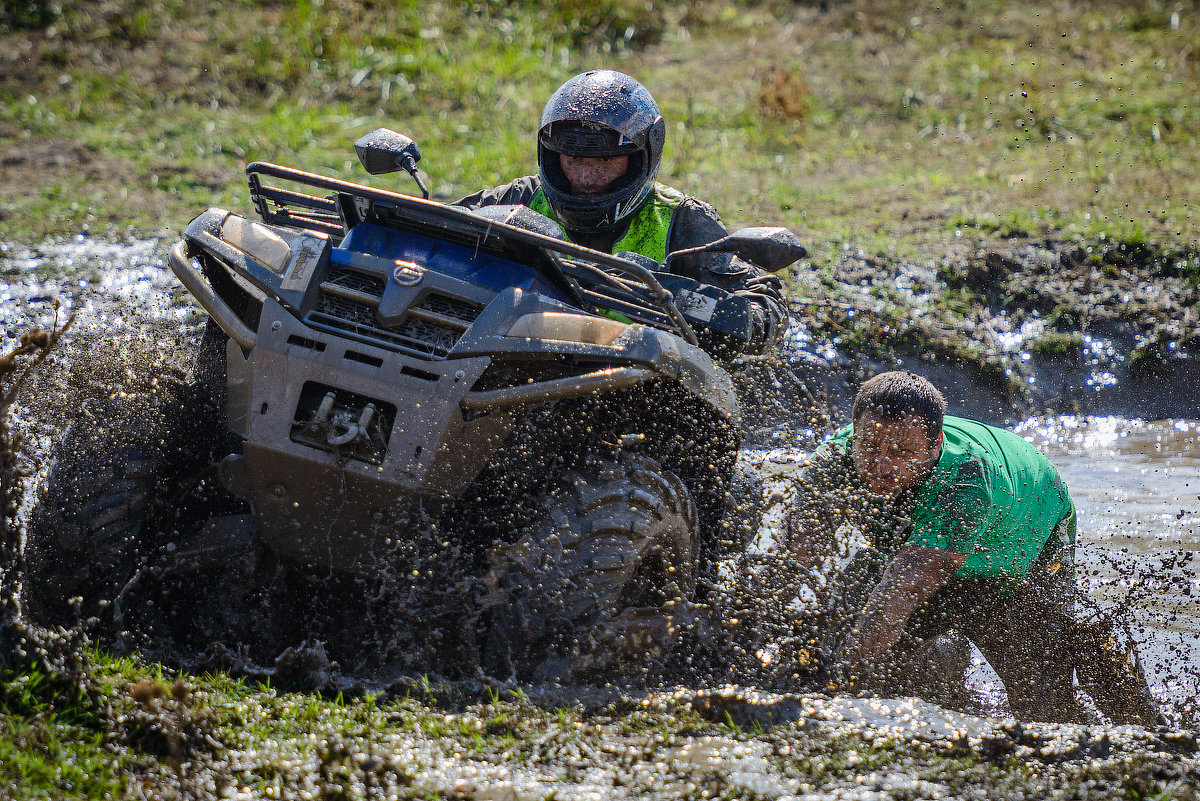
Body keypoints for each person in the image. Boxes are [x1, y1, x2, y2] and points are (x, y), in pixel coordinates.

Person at [784, 370, 1164, 725]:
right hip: (914, 551)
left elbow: (906, 587)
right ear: (853, 432)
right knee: (853, 645)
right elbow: (795, 559)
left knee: (1043, 702)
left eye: (901, 451)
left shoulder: (964, 479)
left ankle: (1140, 713)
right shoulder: (832, 461)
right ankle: (942, 676)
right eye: (869, 445)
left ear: (935, 445)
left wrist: (839, 676)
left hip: (1020, 545)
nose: (882, 464)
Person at [453, 69, 788, 356]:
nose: (586, 178)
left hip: (634, 387)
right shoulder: (519, 198)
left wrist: (680, 301)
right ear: (552, 157)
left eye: (604, 161)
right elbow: (429, 232)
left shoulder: (682, 219)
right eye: (573, 160)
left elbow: (768, 312)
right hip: (507, 364)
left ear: (642, 157)